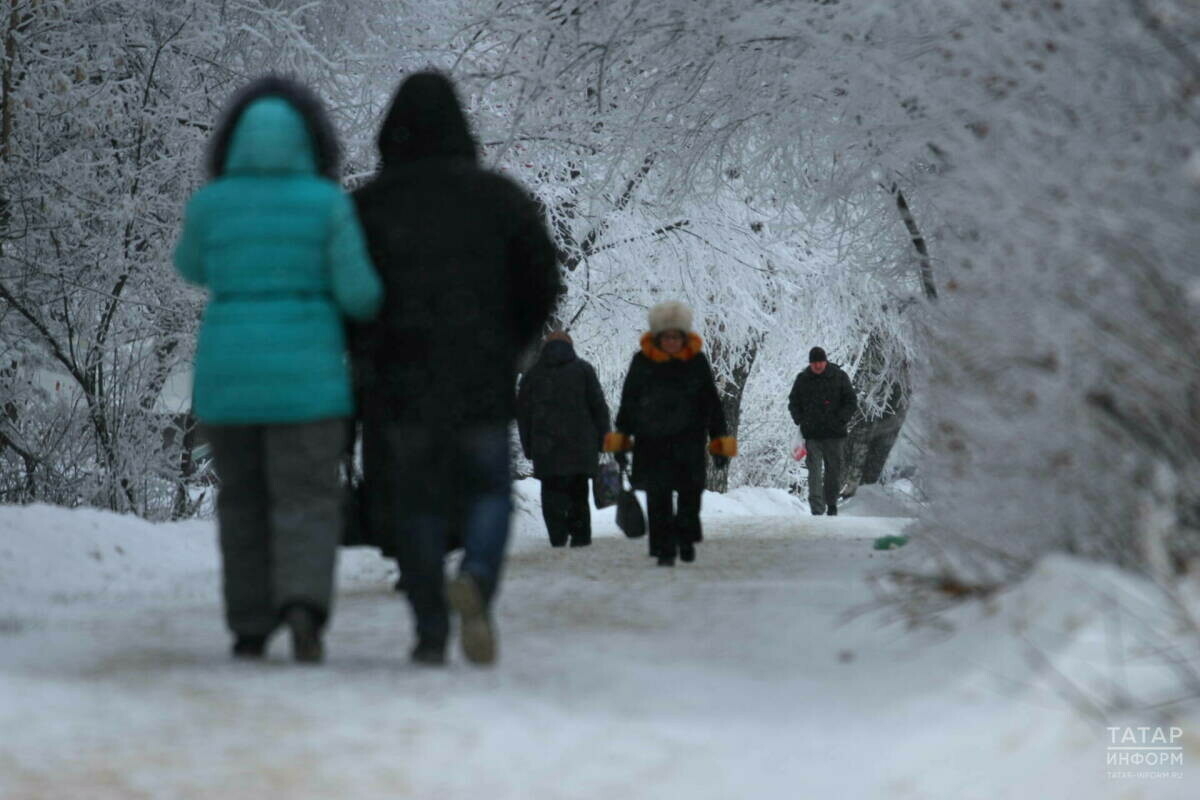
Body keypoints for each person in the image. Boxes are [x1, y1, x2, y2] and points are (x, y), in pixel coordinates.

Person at [351, 71, 560, 666]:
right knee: (489, 494)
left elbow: (343, 292)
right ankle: (476, 574)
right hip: (480, 379)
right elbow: (544, 282)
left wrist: (366, 351)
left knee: (412, 504)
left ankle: (429, 629)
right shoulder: (501, 199)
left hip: (398, 385)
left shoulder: (367, 207)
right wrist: (510, 343)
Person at [173, 76, 383, 663]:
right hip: (309, 383)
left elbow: (188, 266)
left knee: (242, 501)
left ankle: (248, 624)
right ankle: (303, 607)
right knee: (309, 498)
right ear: (311, 140)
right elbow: (361, 294)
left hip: (228, 382)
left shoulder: (212, 203)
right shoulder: (326, 204)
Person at [603, 301, 737, 566]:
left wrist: (719, 439)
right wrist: (621, 439)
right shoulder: (642, 362)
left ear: (683, 337)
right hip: (652, 443)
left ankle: (685, 538)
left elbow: (711, 402)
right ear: (658, 337)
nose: (672, 341)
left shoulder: (696, 361)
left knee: (689, 496)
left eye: (676, 336)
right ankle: (663, 548)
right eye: (667, 336)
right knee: (658, 498)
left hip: (689, 442)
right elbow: (629, 402)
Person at [516, 331, 611, 548]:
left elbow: (523, 414)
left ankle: (557, 537)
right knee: (578, 492)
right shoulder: (584, 370)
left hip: (546, 448)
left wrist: (529, 446)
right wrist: (602, 438)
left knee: (551, 493)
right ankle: (580, 537)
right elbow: (599, 407)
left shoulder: (533, 375)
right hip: (581, 447)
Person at [787, 346, 858, 516]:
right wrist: (800, 419)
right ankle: (817, 509)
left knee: (833, 471)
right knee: (814, 472)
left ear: (825, 361)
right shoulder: (802, 379)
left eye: (820, 362)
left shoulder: (839, 376)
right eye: (814, 363)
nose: (818, 366)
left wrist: (841, 418)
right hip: (812, 434)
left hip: (835, 434)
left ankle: (831, 504)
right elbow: (793, 401)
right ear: (810, 363)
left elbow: (851, 401)